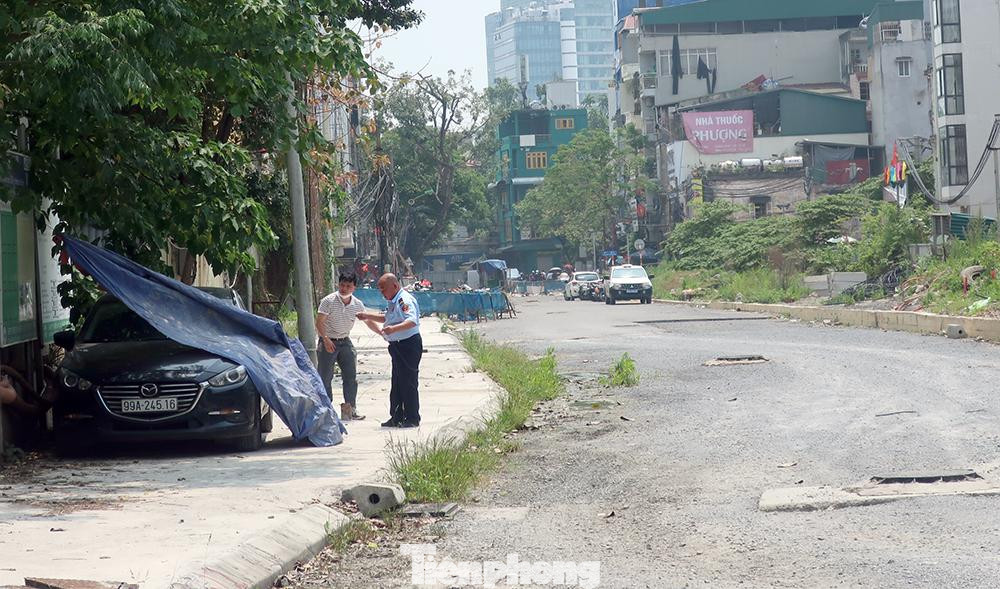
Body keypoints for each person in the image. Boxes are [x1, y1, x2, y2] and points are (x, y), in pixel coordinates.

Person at [356, 273, 422, 428]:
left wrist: (393, 329)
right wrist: (366, 315)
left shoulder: (404, 300)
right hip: (397, 346)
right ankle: (397, 417)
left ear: (394, 286)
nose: (382, 293)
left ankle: (412, 418)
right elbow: (387, 318)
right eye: (380, 290)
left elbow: (412, 320)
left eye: (383, 289)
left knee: (409, 382)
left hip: (408, 345)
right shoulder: (393, 301)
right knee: (397, 382)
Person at [315, 273, 382, 421]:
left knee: (350, 377)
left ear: (354, 288)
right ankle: (326, 411)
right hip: (328, 341)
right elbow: (319, 321)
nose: (344, 289)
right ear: (338, 285)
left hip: (345, 341)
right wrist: (325, 339)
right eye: (342, 285)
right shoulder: (328, 301)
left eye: (348, 286)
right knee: (325, 377)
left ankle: (350, 410)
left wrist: (381, 332)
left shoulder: (357, 304)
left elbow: (368, 320)